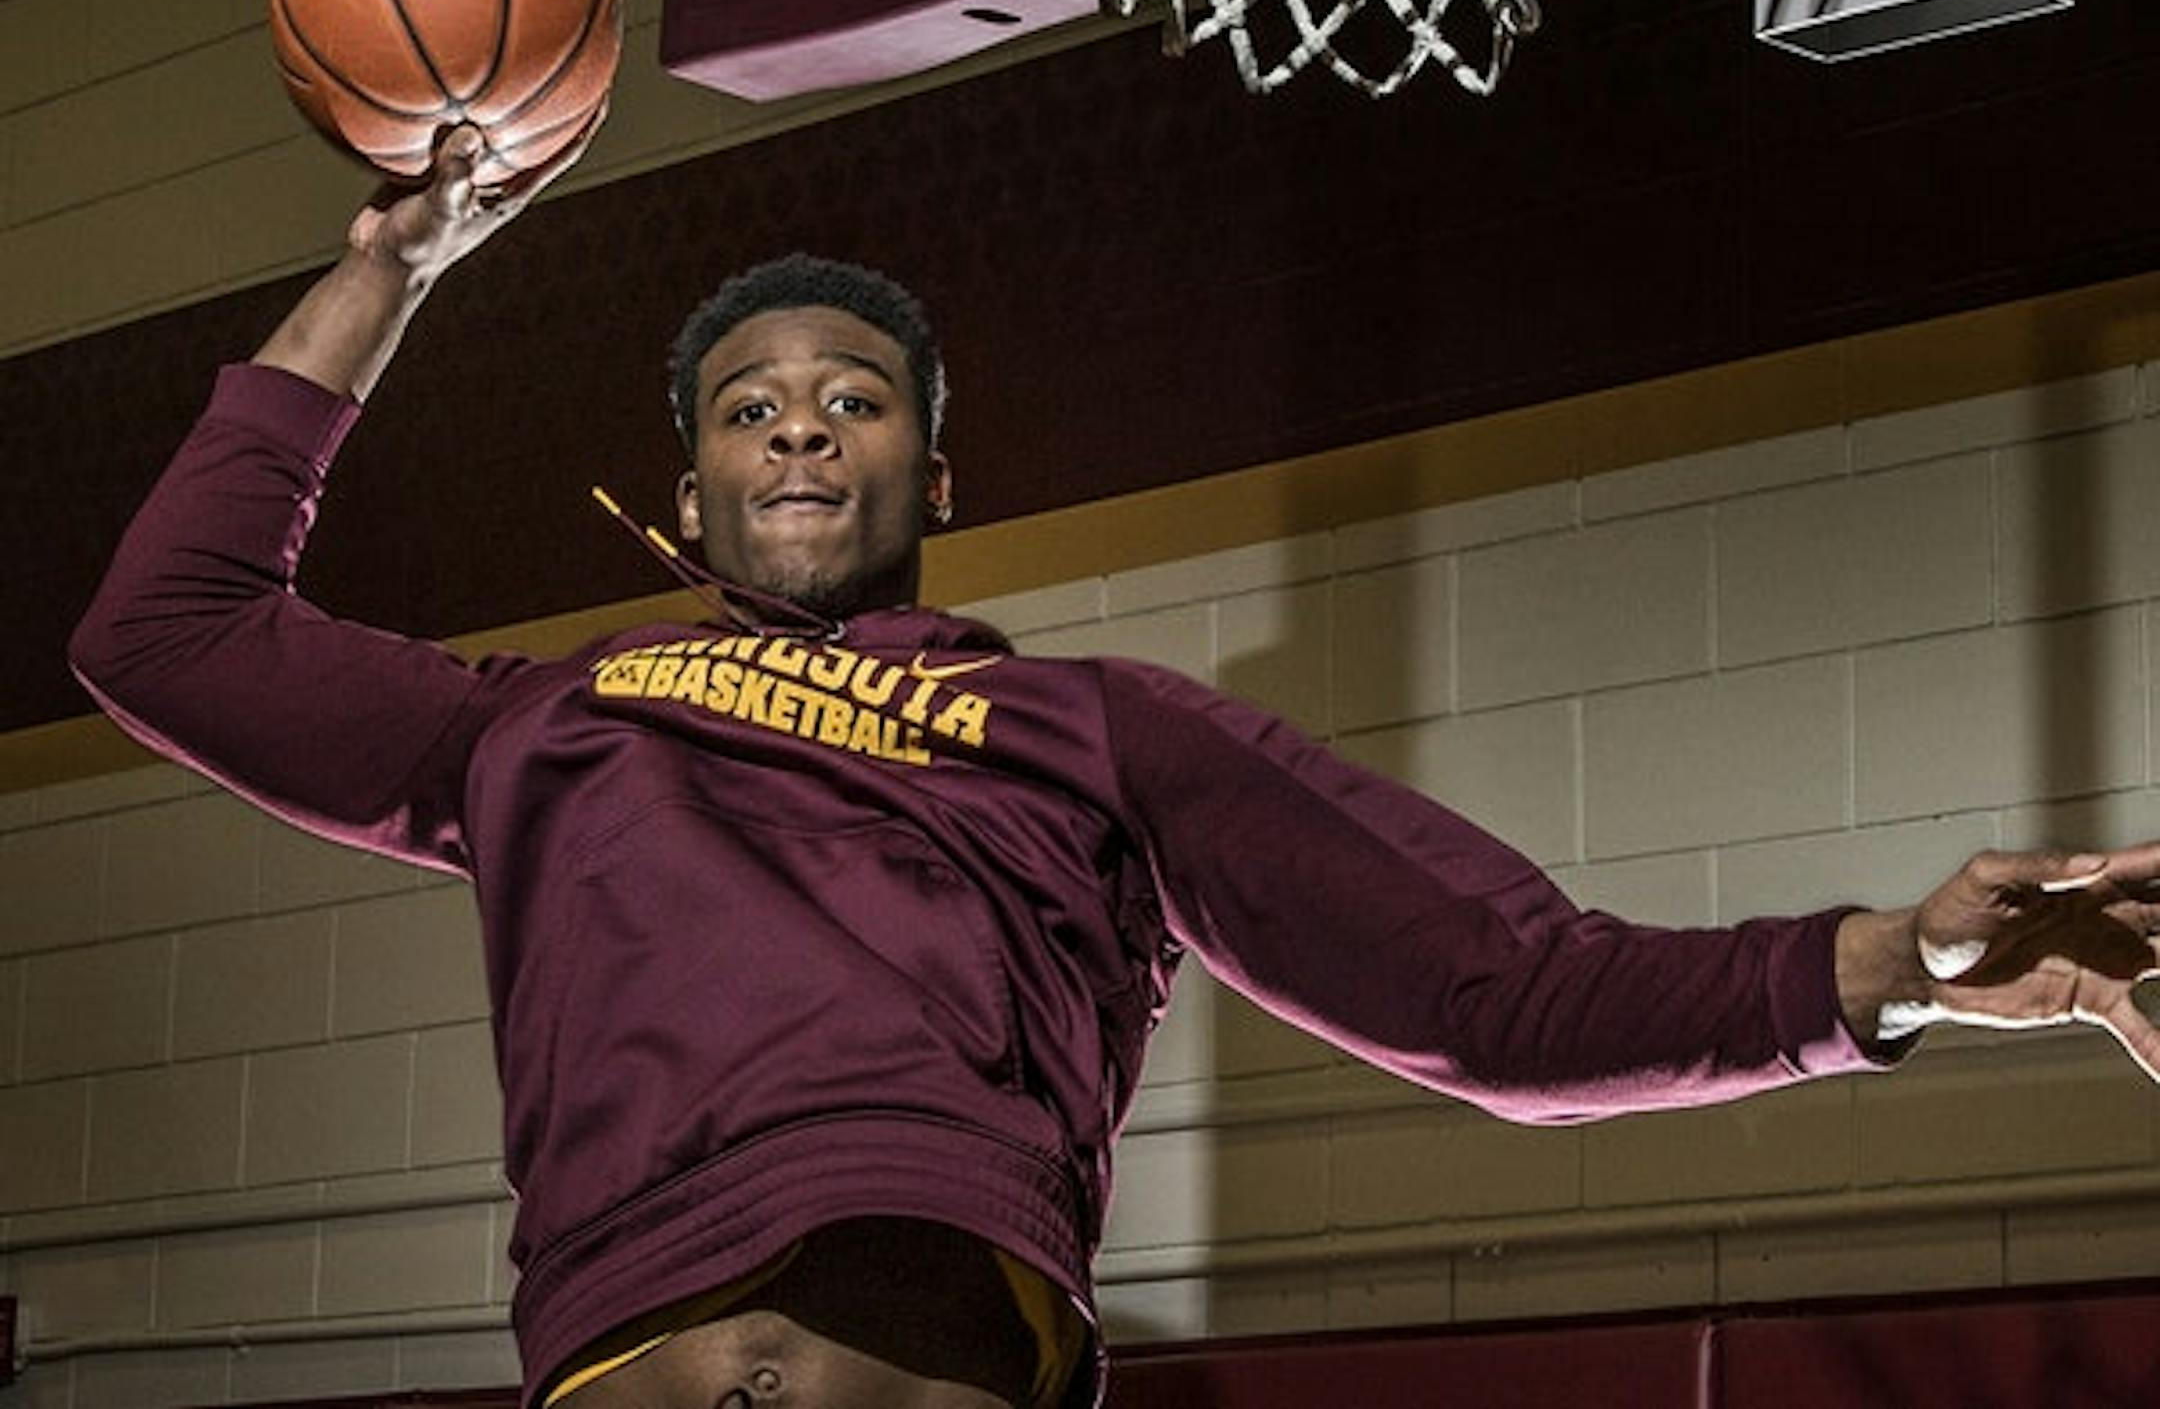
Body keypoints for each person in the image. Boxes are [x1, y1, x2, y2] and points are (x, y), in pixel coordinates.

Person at [70, 129, 2160, 1409]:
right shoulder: (543, 719)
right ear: (690, 495)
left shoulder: (1097, 731)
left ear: (932, 477)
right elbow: (161, 632)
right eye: (748, 406)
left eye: (856, 396)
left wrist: (1900, 960)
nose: (799, 424)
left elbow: (1503, 997)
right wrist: (387, 274)